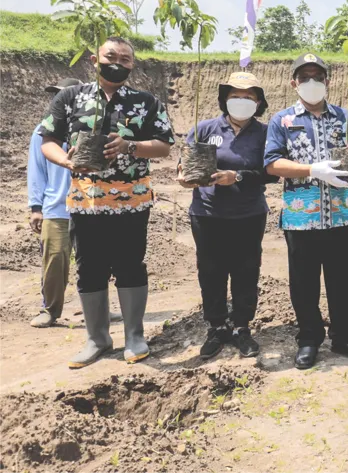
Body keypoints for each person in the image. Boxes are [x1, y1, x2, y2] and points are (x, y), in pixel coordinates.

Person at [39, 37, 175, 367]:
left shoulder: (145, 102)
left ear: (132, 65)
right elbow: (48, 140)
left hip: (131, 201)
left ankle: (134, 336)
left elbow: (164, 145)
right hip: (86, 201)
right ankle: (97, 338)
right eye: (111, 56)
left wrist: (130, 146)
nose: (118, 63)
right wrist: (67, 162)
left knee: (130, 264)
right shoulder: (71, 97)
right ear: (94, 58)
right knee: (89, 267)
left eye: (125, 59)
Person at [264, 53, 348, 370]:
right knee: (304, 283)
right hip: (301, 218)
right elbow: (272, 164)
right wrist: (312, 169)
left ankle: (344, 337)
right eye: (305, 77)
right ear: (294, 82)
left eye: (318, 76)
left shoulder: (346, 118)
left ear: (328, 80)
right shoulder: (282, 121)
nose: (312, 82)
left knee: (343, 280)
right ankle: (309, 339)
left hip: (341, 214)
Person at [178, 72, 276, 360]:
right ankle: (217, 326)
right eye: (235, 96)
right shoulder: (205, 129)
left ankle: (242, 327)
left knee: (247, 271)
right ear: (225, 99)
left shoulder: (266, 133)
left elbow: (271, 174)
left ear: (258, 102)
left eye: (249, 97)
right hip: (208, 215)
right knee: (211, 271)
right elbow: (184, 167)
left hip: (248, 214)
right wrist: (185, 179)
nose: (241, 101)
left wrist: (238, 177)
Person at [27, 77, 82, 328]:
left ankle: (98, 309)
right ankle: (50, 310)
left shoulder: (90, 129)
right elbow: (36, 171)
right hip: (56, 207)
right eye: (56, 96)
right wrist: (35, 207)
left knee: (96, 261)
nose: (58, 100)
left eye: (65, 95)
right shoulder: (42, 132)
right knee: (54, 259)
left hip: (90, 206)